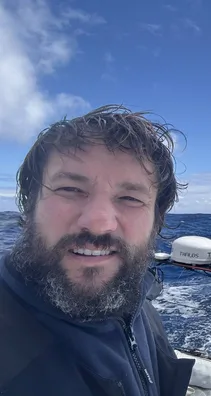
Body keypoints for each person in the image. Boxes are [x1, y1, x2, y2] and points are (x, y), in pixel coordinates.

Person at [0, 105, 195, 396]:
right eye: (70, 189)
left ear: (156, 220)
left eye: (129, 197)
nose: (99, 223)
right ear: (30, 205)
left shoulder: (136, 299)